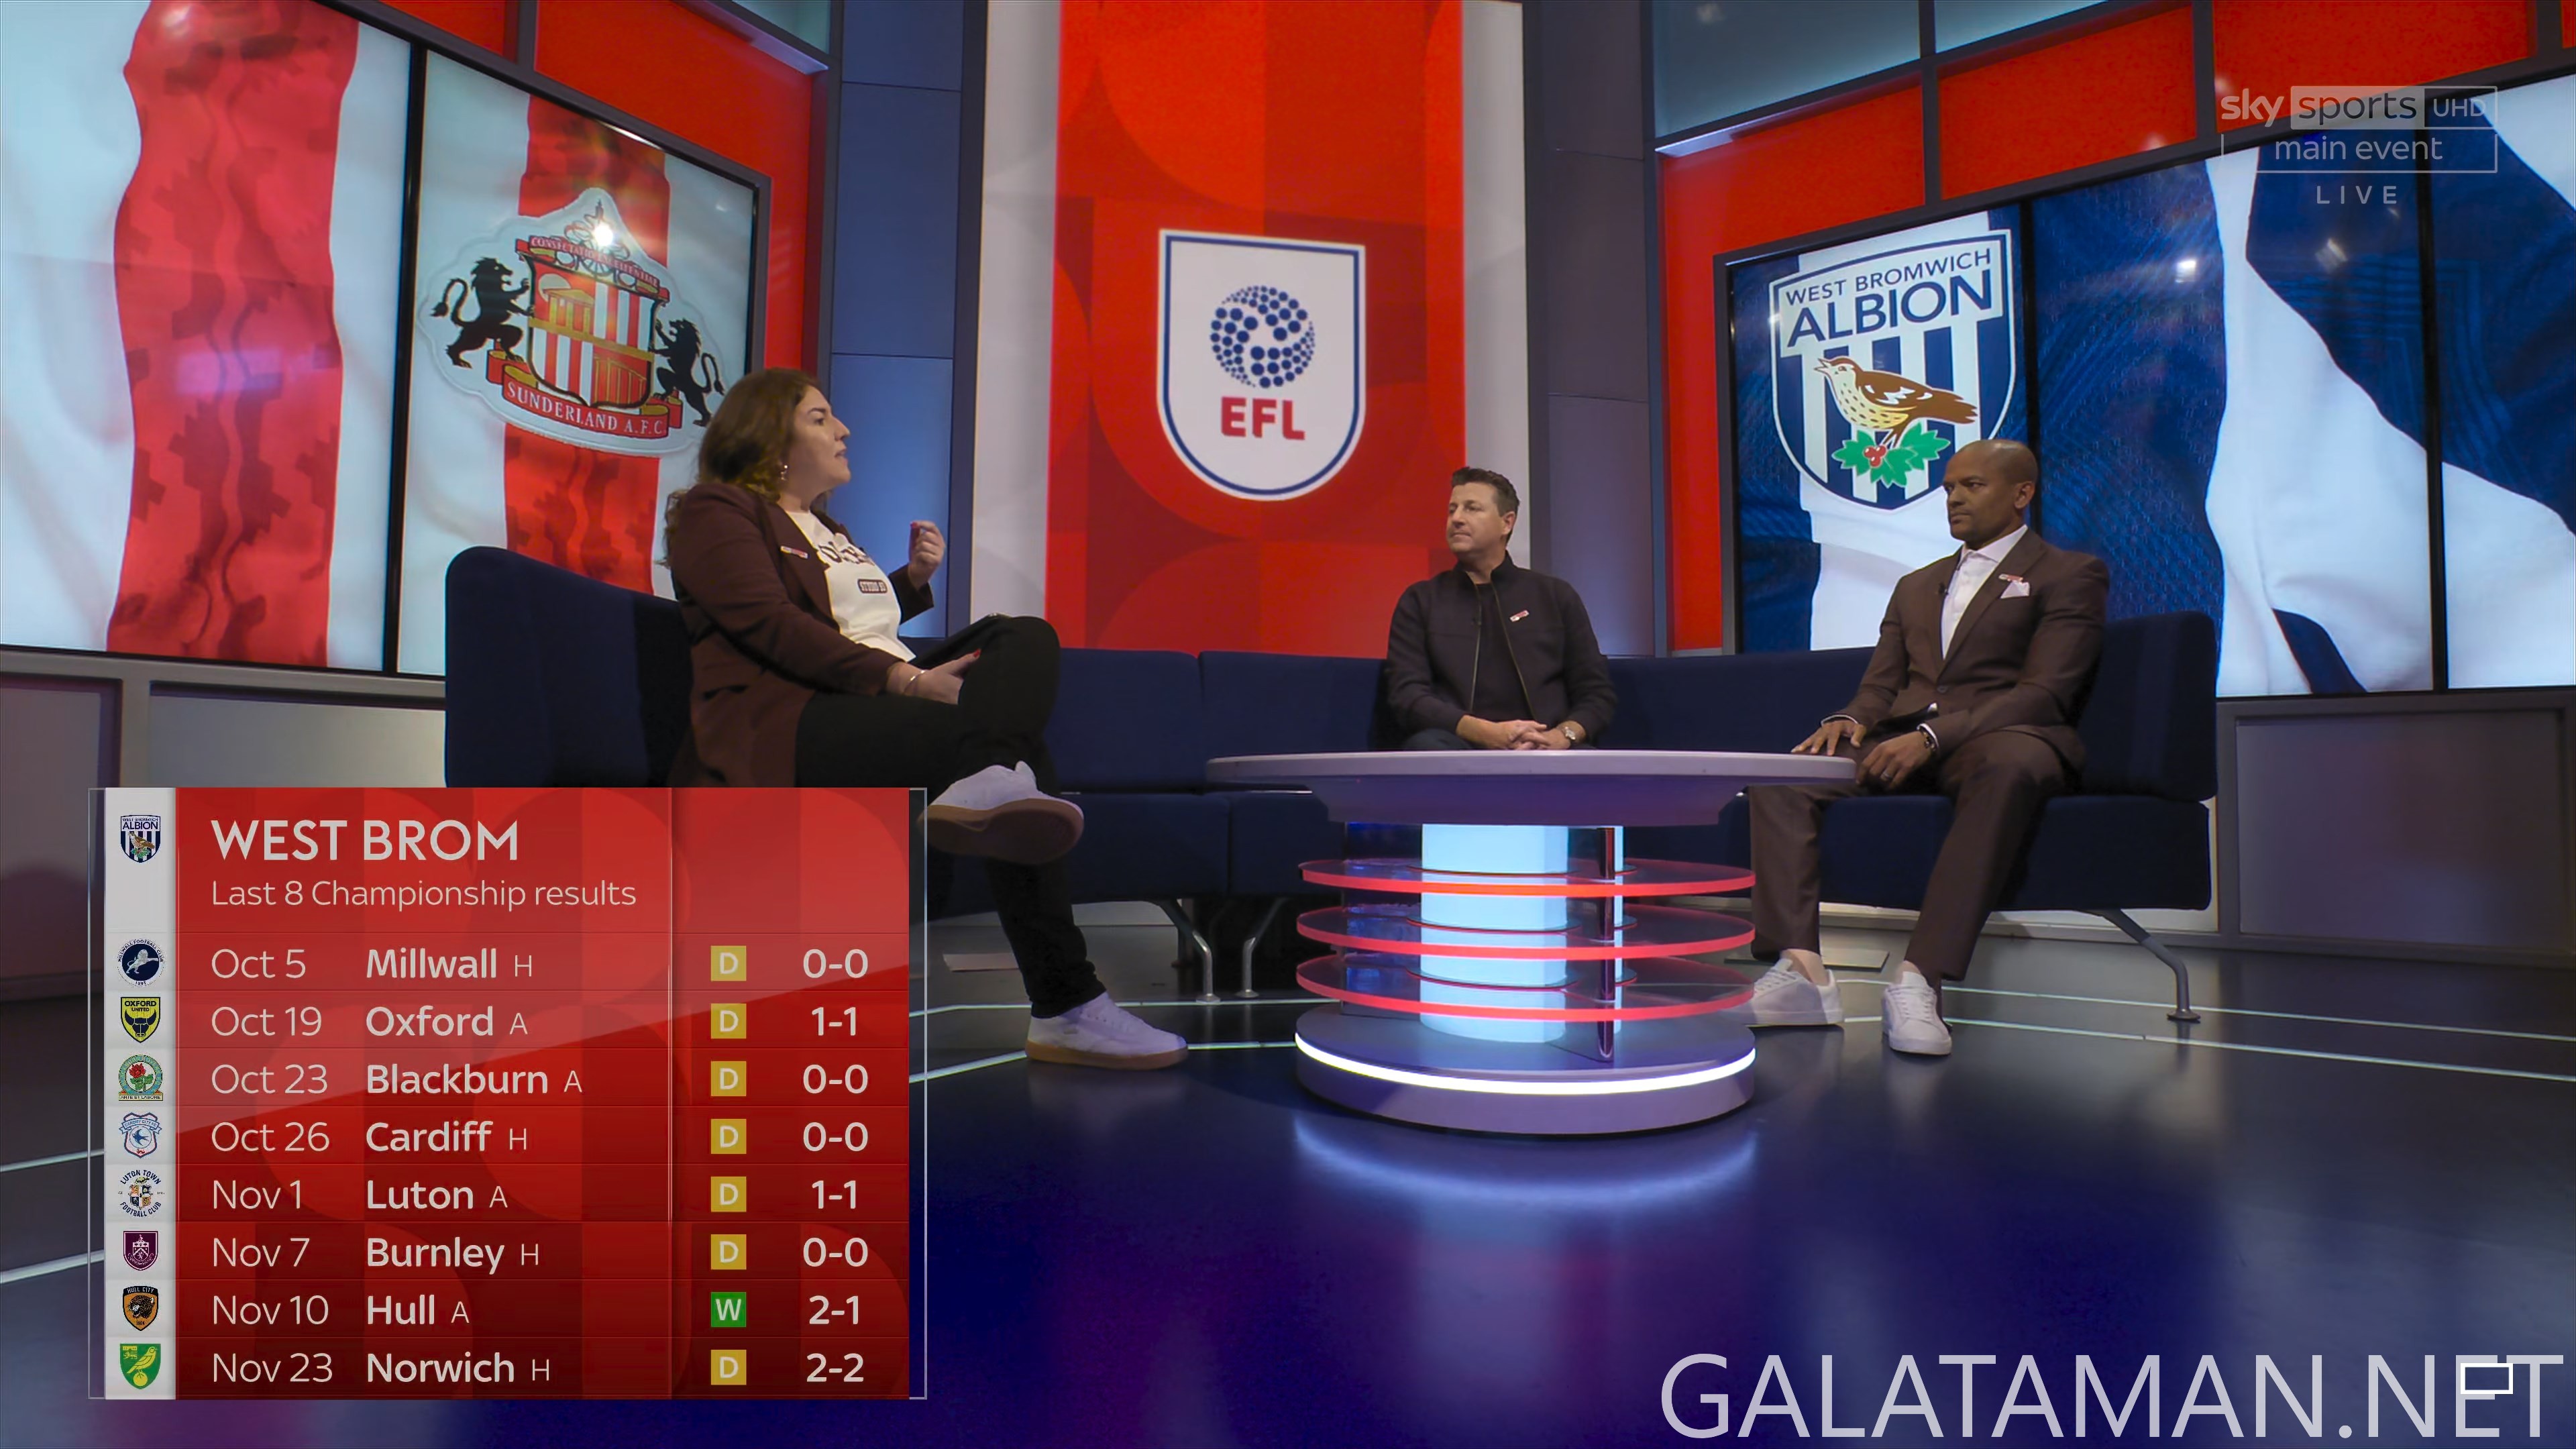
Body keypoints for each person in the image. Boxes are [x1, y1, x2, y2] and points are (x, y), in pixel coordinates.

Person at [663, 367, 1185, 1070]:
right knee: (1019, 761)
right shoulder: (718, 510)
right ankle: (1067, 1005)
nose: (844, 429)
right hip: (789, 721)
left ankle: (992, 778)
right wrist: (906, 680)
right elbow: (772, 624)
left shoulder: (828, 529)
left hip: (865, 696)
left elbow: (848, 621)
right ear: (768, 437)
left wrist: (909, 584)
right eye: (820, 418)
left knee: (1023, 635)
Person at [1741, 439, 2107, 1057]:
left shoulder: (2070, 574)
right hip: (1904, 735)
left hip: (2002, 736)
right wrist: (1850, 718)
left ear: (2022, 494)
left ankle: (1919, 979)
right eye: (1949, 488)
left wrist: (1935, 736)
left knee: (2012, 768)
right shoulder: (1916, 585)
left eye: (1973, 486)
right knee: (1783, 776)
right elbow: (1881, 687)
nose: (1955, 499)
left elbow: (2045, 693)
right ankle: (1802, 972)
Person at [1385, 466, 1616, 751]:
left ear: (1507, 523)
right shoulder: (1421, 601)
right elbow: (1407, 696)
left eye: (1472, 509)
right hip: (1460, 744)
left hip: (1545, 745)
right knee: (1427, 748)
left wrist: (1561, 736)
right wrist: (1486, 732)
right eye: (1452, 510)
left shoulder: (1555, 596)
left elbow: (1596, 695)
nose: (1457, 519)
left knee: (1589, 764)